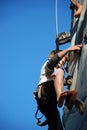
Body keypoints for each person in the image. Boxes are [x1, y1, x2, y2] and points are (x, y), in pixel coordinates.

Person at [34, 44, 82, 130]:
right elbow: (54, 60)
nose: (61, 64)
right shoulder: (48, 66)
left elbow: (59, 82)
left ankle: (63, 97)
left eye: (63, 63)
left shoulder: (57, 76)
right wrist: (69, 49)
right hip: (44, 91)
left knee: (56, 126)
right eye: (60, 61)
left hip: (48, 104)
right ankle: (60, 97)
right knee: (60, 71)